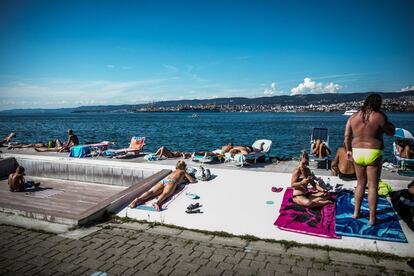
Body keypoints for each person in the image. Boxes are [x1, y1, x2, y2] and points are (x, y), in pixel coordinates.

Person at [344, 93, 395, 225]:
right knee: (373, 186)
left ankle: (356, 213)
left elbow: (347, 136)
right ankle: (372, 219)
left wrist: (349, 150)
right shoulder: (379, 116)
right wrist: (389, 124)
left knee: (360, 183)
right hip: (373, 152)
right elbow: (391, 132)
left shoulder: (353, 117)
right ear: (378, 103)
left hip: (357, 152)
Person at [129, 160, 196, 211]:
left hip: (164, 181)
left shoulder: (174, 171)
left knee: (151, 192)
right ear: (183, 167)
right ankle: (157, 203)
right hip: (172, 182)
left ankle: (137, 200)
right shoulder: (183, 172)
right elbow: (192, 181)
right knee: (165, 193)